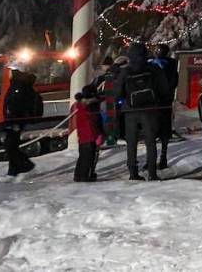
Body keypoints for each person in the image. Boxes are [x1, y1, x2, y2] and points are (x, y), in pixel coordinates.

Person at [113, 44, 170, 181]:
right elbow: (164, 89)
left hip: (130, 110)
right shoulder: (153, 69)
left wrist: (125, 99)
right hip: (150, 110)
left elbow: (117, 92)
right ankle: (152, 173)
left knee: (131, 142)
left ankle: (133, 173)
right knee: (150, 141)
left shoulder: (125, 71)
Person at [3, 64, 43, 177]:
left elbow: (16, 105)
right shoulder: (19, 86)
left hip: (15, 121)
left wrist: (14, 121)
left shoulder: (18, 87)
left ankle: (26, 165)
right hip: (13, 120)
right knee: (11, 146)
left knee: (10, 146)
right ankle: (13, 171)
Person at [148, 44, 179, 169]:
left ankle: (163, 157)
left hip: (163, 101)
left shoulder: (170, 65)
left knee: (163, 131)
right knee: (152, 131)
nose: (157, 53)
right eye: (156, 51)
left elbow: (173, 81)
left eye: (159, 51)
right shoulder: (150, 63)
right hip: (154, 102)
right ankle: (152, 158)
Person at [70, 84, 103, 182]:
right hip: (91, 134)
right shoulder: (92, 106)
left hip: (82, 134)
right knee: (89, 157)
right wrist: (99, 133)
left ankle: (78, 175)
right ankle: (86, 175)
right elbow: (95, 121)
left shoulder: (79, 104)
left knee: (82, 156)